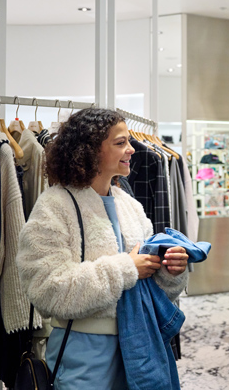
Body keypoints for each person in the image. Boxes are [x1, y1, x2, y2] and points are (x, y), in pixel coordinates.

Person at [17, 108, 189, 390]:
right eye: (120, 143)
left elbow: (153, 287)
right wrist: (125, 269)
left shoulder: (130, 206)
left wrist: (171, 271)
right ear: (89, 150)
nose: (131, 150)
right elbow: (45, 288)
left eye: (128, 142)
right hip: (84, 352)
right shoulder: (54, 207)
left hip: (139, 345)